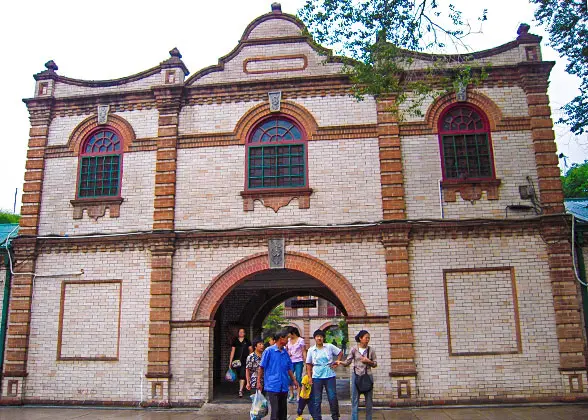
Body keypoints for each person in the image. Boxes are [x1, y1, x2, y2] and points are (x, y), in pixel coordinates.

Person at [258, 329, 299, 420]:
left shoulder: (285, 352)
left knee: (283, 411)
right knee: (275, 411)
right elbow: (261, 367)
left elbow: (289, 368)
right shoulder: (269, 351)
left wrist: (294, 380)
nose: (288, 340)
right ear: (281, 338)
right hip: (273, 385)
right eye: (287, 338)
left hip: (283, 385)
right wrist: (259, 382)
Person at [335, 330, 377, 420]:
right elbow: (347, 362)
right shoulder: (354, 349)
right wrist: (340, 362)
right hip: (356, 376)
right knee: (355, 401)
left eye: (368, 338)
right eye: (366, 338)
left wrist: (368, 361)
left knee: (369, 402)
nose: (367, 340)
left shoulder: (371, 350)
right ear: (360, 338)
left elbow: (375, 364)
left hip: (367, 376)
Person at [305, 329, 343, 420]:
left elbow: (340, 352)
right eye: (317, 337)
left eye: (321, 337)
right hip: (317, 376)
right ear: (314, 338)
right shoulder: (311, 350)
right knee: (317, 399)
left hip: (329, 375)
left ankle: (335, 416)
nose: (319, 338)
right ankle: (317, 417)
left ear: (323, 338)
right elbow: (308, 364)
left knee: (332, 397)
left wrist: (337, 361)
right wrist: (309, 377)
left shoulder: (329, 346)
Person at [229, 327, 253, 398]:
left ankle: (240, 390)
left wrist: (250, 358)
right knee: (239, 374)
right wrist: (230, 361)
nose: (241, 333)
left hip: (245, 360)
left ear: (244, 333)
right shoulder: (235, 341)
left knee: (242, 374)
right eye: (240, 332)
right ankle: (241, 386)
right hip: (236, 361)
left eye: (242, 332)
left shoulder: (247, 341)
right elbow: (232, 351)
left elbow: (251, 349)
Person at [286, 326, 307, 403]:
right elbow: (286, 350)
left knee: (298, 377)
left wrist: (306, 361)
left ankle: (298, 394)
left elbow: (303, 351)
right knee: (289, 377)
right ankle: (291, 394)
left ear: (293, 333)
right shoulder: (288, 340)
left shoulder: (300, 340)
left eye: (289, 333)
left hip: (299, 361)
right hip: (290, 361)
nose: (288, 335)